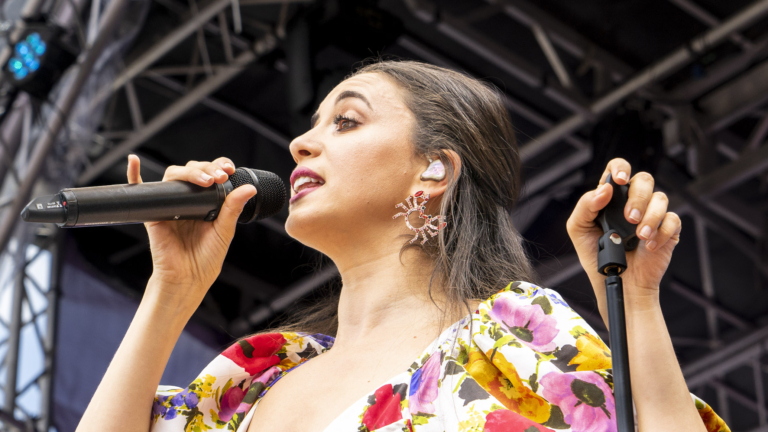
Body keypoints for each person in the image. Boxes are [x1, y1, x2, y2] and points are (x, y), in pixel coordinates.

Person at [75, 60, 729, 432]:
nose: (301, 144)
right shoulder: (256, 380)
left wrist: (636, 300)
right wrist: (173, 289)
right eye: (311, 126)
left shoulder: (507, 334)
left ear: (435, 171)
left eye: (347, 120)